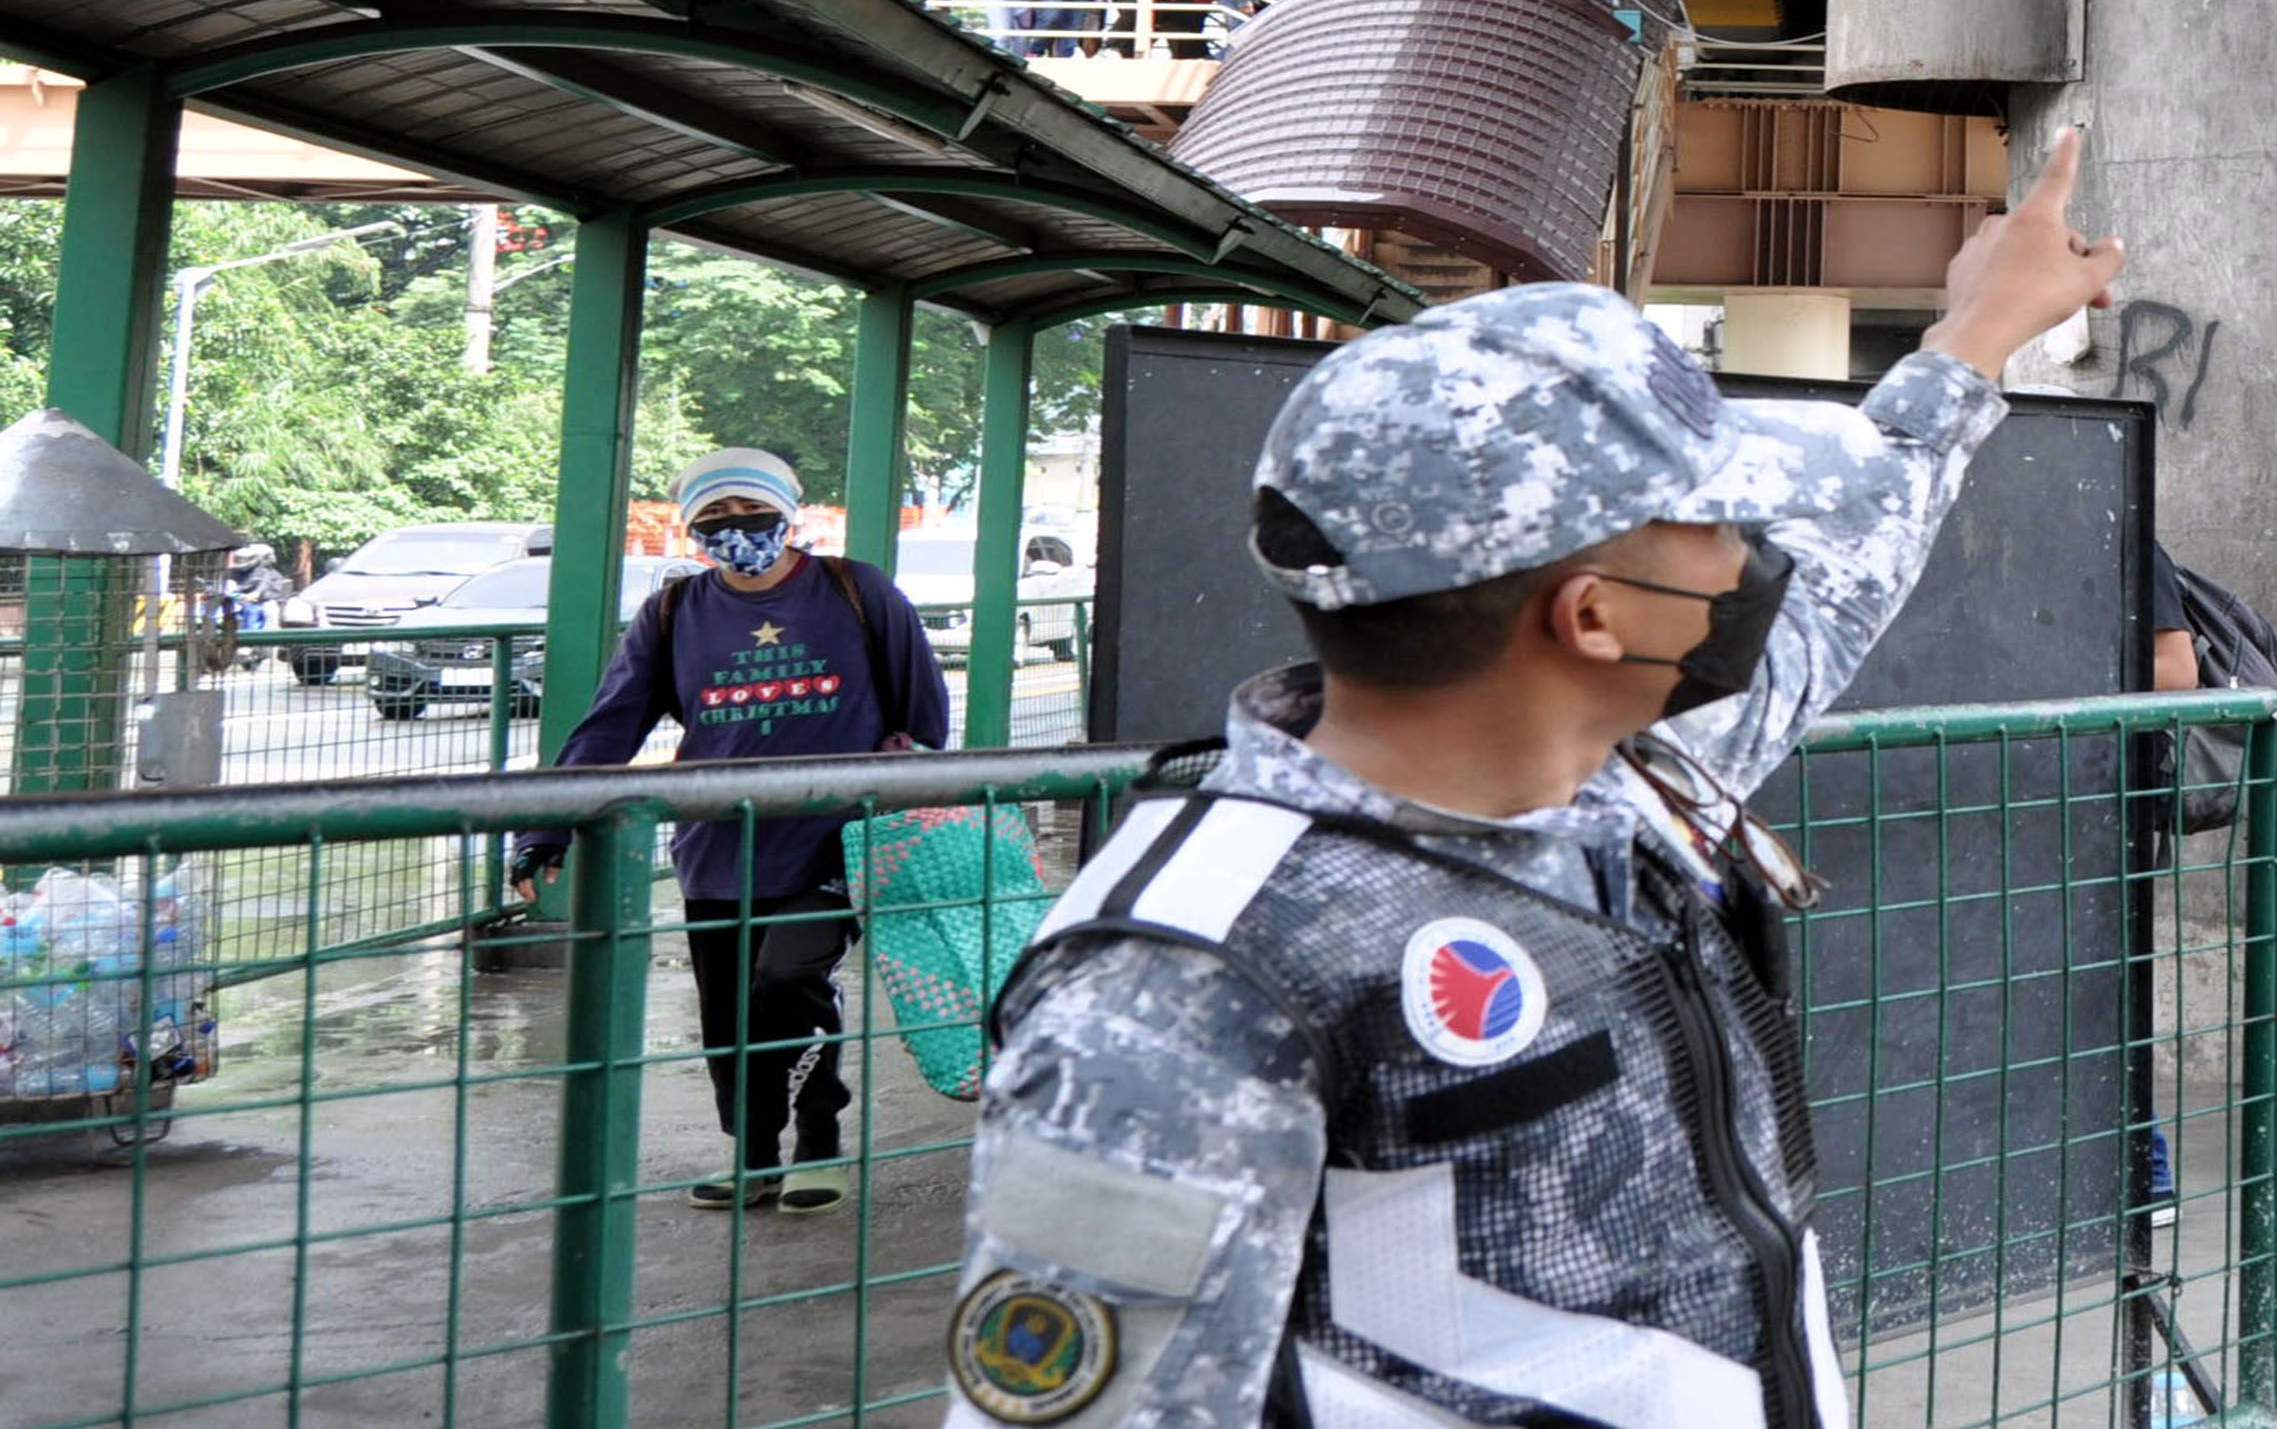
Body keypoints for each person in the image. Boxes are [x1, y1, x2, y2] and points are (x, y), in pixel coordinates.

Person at [936, 131, 2124, 1429]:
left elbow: (1853, 567)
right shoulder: (1180, 988)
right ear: (1594, 616)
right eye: (1722, 523)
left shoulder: (1621, 782)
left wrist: (1981, 329)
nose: (1755, 563)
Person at [510, 449, 950, 1214]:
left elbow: (924, 711)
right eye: (712, 519)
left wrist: (907, 781)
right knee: (729, 1016)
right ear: (691, 531)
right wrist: (546, 829)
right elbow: (610, 724)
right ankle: (754, 1156)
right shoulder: (674, 613)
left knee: (790, 978)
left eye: (750, 512)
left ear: (789, 512)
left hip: (837, 842)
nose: (734, 531)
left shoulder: (856, 592)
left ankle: (819, 1141)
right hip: (717, 848)